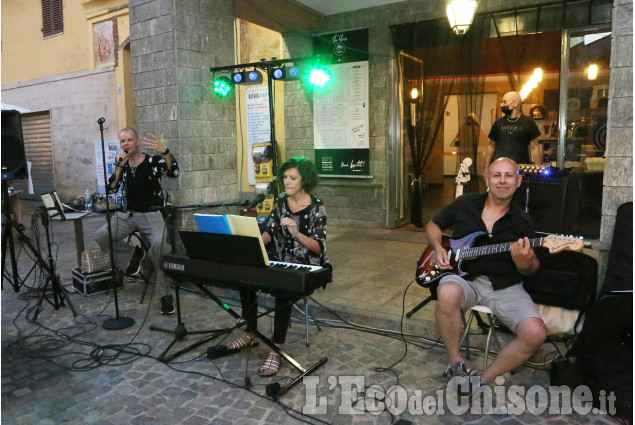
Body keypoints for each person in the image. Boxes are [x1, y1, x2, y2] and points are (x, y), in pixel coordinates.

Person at [425, 157, 546, 396]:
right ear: (487, 179)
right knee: (447, 292)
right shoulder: (465, 204)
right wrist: (439, 248)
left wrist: (525, 262)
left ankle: (481, 380)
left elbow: (531, 270)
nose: (503, 180)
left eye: (509, 175)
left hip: (505, 285)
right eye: (497, 175)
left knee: (535, 333)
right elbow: (433, 225)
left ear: (518, 181)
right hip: (465, 278)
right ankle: (455, 364)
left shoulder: (524, 222)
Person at [226, 157, 330, 377]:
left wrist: (297, 234)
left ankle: (276, 348)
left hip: (306, 264)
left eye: (293, 178)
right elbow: (268, 232)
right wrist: (249, 244)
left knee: (283, 288)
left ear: (305, 181)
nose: (287, 182)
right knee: (245, 275)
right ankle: (251, 332)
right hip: (278, 257)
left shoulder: (317, 207)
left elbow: (319, 248)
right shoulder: (281, 200)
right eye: (285, 177)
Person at [94, 127, 180, 314]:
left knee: (160, 247)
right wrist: (118, 165)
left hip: (152, 214)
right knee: (101, 235)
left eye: (129, 140)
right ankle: (134, 256)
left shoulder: (152, 161)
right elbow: (111, 188)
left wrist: (165, 151)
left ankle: (164, 294)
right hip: (128, 215)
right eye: (122, 141)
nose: (126, 144)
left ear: (138, 141)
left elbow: (174, 172)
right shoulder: (122, 165)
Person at [483, 92, 542, 175]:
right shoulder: (498, 123)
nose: (502, 105)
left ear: (515, 103)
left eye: (505, 102)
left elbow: (535, 147)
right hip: (499, 168)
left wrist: (538, 170)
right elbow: (491, 146)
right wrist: (486, 168)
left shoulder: (528, 122)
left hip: (520, 169)